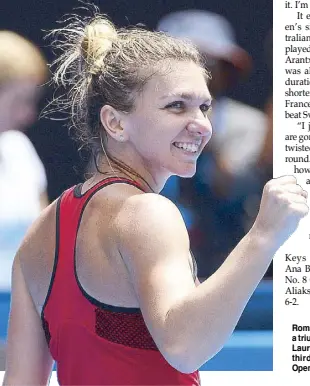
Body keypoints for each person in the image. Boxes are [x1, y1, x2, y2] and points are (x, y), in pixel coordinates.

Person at [3, 11, 308, 386]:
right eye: (176, 106)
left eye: (204, 106)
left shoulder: (41, 230)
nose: (201, 124)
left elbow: (19, 382)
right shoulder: (149, 213)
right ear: (115, 122)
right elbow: (184, 347)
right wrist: (263, 237)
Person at [157, 10, 270, 279]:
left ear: (225, 69)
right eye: (182, 63)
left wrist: (198, 133)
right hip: (154, 266)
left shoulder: (252, 125)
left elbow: (232, 192)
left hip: (229, 269)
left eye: (206, 62)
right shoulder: (134, 126)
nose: (197, 72)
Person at [0, 31, 49, 290]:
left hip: (26, 299)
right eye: (20, 101)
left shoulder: (19, 148)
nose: (28, 115)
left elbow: (42, 236)